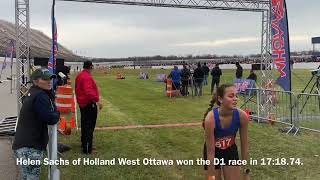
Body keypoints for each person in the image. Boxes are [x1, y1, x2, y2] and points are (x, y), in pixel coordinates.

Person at [12, 68, 60, 180]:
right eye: (45, 79)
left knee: (27, 177)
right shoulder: (40, 95)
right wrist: (58, 113)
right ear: (35, 81)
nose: (49, 81)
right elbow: (50, 118)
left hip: (22, 145)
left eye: (50, 79)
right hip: (30, 147)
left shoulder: (32, 92)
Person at [203, 84, 250, 180]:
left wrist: (246, 173)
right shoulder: (210, 119)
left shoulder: (242, 116)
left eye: (236, 96)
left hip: (230, 150)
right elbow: (210, 152)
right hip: (213, 152)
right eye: (231, 96)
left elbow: (245, 148)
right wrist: (211, 176)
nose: (235, 99)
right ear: (220, 99)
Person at [75, 61, 103, 154]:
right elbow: (89, 92)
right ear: (91, 66)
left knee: (85, 125)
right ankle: (87, 149)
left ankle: (85, 144)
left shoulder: (80, 75)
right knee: (89, 126)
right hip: (88, 104)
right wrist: (97, 100)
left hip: (83, 104)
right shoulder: (86, 77)